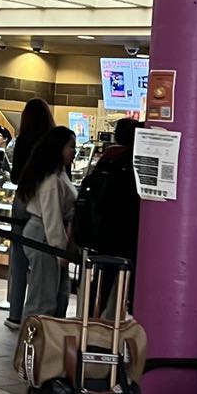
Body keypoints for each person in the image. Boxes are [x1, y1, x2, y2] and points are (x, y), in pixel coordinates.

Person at [75, 116, 141, 313]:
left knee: (102, 281)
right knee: (123, 280)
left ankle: (91, 319)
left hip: (101, 230)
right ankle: (114, 324)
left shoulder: (106, 159)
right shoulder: (132, 161)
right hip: (126, 232)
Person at [1, 98, 56, 329]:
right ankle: (40, 316)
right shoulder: (52, 141)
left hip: (23, 200)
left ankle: (15, 313)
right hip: (45, 203)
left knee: (19, 260)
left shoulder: (22, 141)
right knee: (43, 262)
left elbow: (14, 177)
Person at [18, 125, 78, 320]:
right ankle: (35, 343)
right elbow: (51, 217)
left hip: (46, 235)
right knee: (43, 298)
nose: (74, 151)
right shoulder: (52, 180)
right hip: (44, 237)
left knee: (56, 294)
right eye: (71, 146)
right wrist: (60, 250)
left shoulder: (58, 174)